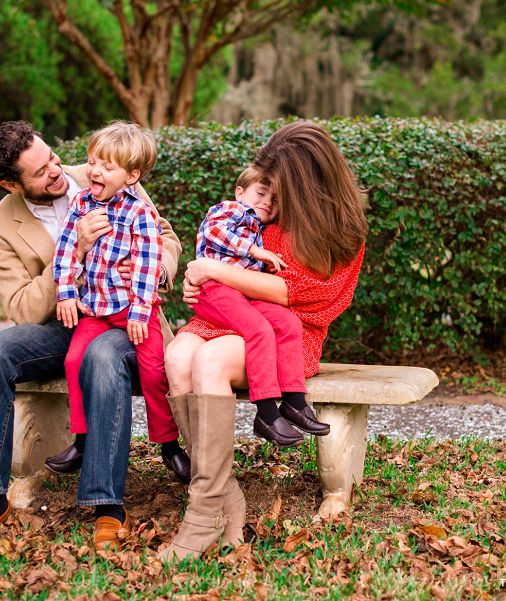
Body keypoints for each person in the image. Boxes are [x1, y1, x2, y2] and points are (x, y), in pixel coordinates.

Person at [0, 120, 184, 551]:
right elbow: (23, 307)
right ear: (12, 185)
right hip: (59, 324)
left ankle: (107, 506)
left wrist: (155, 271)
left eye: (52, 157)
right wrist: (76, 250)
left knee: (102, 354)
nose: (57, 169)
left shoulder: (107, 172)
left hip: (125, 319)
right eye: (41, 171)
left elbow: (166, 237)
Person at [158, 121, 368, 562]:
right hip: (233, 313)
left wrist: (212, 271)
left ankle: (200, 517)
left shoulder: (341, 232)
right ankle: (224, 497)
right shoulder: (263, 215)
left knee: (210, 362)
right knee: (177, 356)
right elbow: (226, 260)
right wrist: (206, 280)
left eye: (281, 186)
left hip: (289, 331)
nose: (271, 196)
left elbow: (297, 293)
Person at [49, 121, 189, 484]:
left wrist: (142, 312)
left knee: (156, 373)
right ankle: (81, 440)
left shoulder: (138, 213)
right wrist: (66, 292)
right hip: (96, 309)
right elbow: (65, 250)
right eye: (93, 161)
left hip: (135, 311)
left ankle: (169, 444)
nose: (94, 171)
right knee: (74, 360)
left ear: (131, 177)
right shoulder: (80, 204)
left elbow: (146, 264)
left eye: (107, 167)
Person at [192, 166, 331, 448]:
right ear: (240, 193)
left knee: (288, 323)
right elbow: (213, 233)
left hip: (241, 295)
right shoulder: (230, 210)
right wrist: (255, 252)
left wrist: (263, 261)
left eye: (275, 199)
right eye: (261, 193)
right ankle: (266, 413)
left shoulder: (260, 228)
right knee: (259, 330)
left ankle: (294, 402)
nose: (267, 201)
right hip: (215, 291)